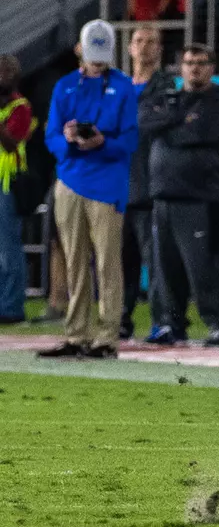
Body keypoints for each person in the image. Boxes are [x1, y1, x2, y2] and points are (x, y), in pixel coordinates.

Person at [38, 21, 139, 360]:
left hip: (107, 184)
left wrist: (102, 142)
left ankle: (107, 337)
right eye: (92, 55)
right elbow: (50, 134)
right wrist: (67, 140)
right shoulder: (65, 86)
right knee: (74, 261)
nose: (97, 63)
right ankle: (76, 333)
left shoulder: (123, 87)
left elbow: (130, 139)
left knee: (108, 261)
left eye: (102, 57)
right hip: (69, 181)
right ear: (79, 50)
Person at [141, 44, 219, 347]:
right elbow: (144, 122)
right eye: (189, 62)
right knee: (165, 268)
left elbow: (196, 134)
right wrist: (178, 120)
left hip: (198, 197)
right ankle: (171, 323)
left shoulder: (218, 103)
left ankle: (218, 323)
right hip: (163, 196)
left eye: (201, 63)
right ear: (180, 68)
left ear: (212, 67)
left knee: (203, 265)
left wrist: (170, 124)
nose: (194, 68)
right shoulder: (171, 99)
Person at [120, 27, 164, 340]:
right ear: (129, 48)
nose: (144, 47)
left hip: (151, 189)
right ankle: (120, 318)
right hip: (118, 189)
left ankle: (161, 320)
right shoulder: (118, 88)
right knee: (120, 262)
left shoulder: (166, 88)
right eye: (139, 41)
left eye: (150, 41)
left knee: (156, 261)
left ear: (159, 49)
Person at [0, 55, 34, 325]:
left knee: (9, 247)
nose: (4, 75)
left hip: (7, 184)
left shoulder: (21, 107)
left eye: (9, 70)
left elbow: (12, 143)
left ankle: (12, 307)